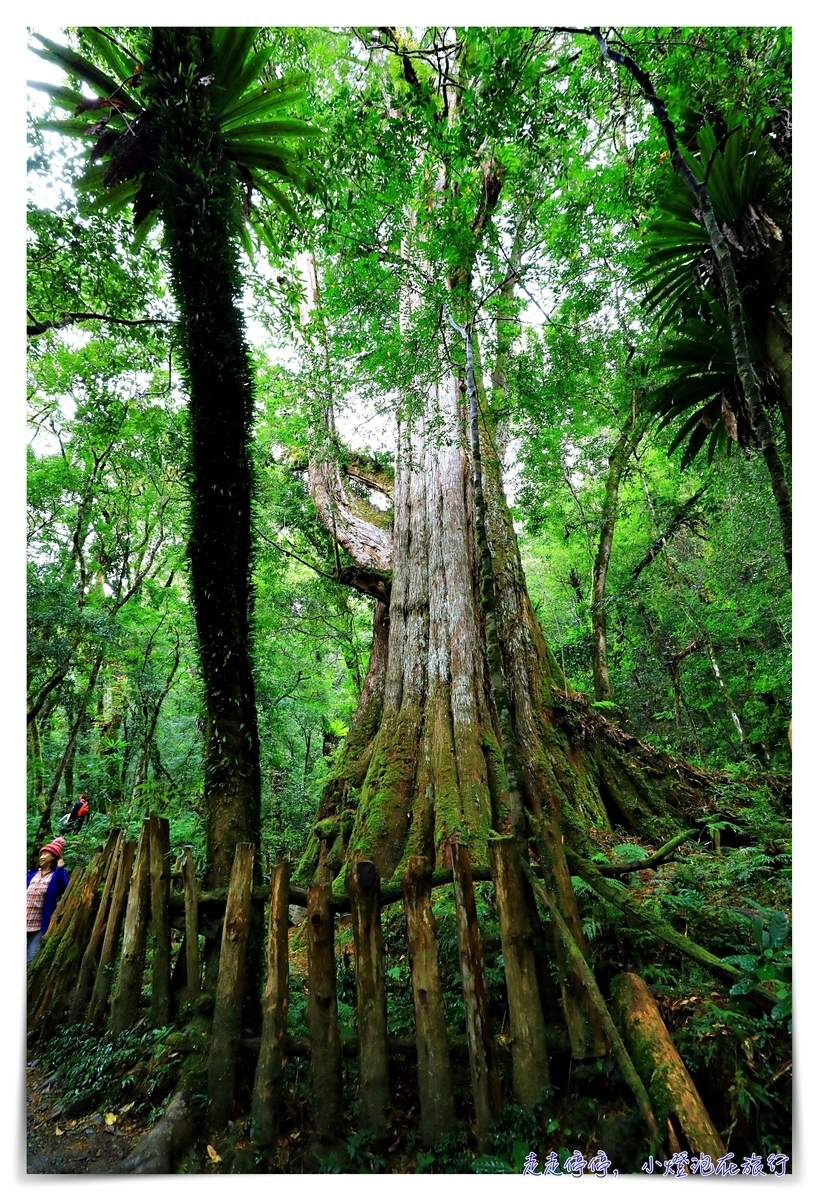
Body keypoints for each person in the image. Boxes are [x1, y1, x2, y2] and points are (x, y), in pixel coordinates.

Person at [26, 837, 69, 965]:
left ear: (53, 857)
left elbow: (64, 887)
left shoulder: (55, 876)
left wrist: (60, 869)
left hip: (39, 924)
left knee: (31, 957)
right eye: (41, 854)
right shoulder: (31, 875)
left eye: (45, 854)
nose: (42, 857)